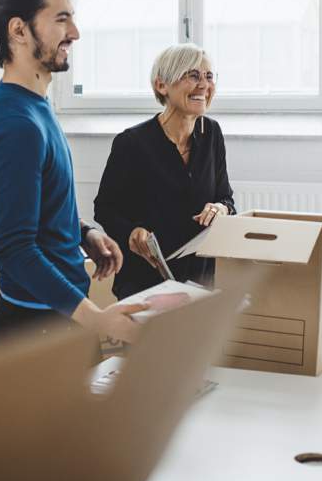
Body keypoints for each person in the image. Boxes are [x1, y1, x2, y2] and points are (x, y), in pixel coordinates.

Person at [0, 0, 147, 346]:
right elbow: (14, 250)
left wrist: (84, 234)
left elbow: (40, 208)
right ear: (19, 30)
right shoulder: (15, 124)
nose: (74, 32)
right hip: (37, 329)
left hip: (56, 317)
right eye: (61, 19)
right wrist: (96, 320)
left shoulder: (34, 107)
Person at [94, 44, 236, 301]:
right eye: (193, 75)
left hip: (199, 280)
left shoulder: (212, 133)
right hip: (145, 282)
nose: (204, 85)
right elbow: (104, 208)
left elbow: (227, 199)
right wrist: (131, 232)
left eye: (209, 76)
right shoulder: (131, 143)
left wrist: (220, 208)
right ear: (162, 85)